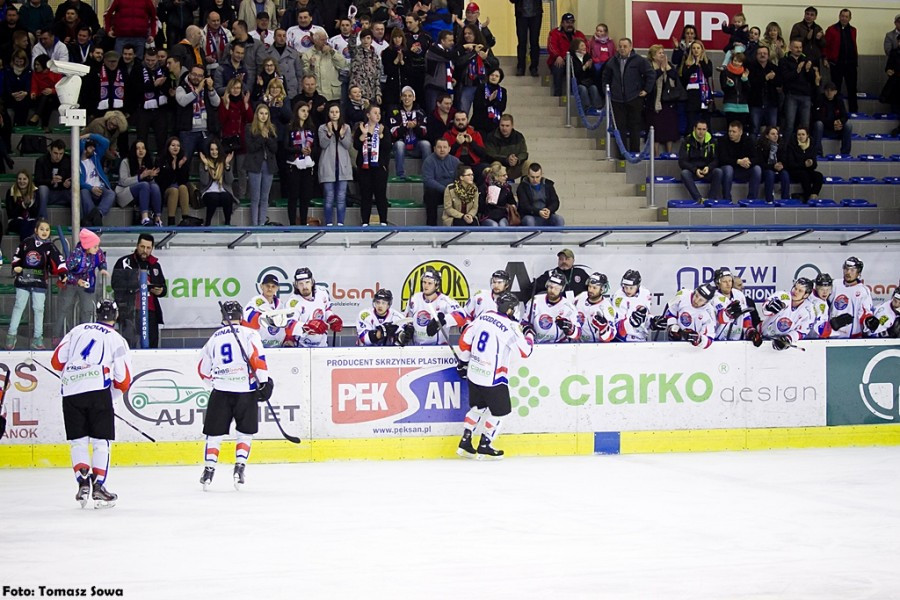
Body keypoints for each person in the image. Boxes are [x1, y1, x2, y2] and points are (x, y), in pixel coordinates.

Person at [51, 299, 131, 509]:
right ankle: (98, 486)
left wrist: (76, 377)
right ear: (116, 316)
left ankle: (82, 484)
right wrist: (109, 396)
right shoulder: (117, 339)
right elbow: (123, 379)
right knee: (100, 442)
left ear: (96, 314)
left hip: (71, 391)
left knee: (78, 441)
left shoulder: (76, 331)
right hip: (98, 390)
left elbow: (56, 361)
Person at [198, 300, 272, 490]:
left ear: (223, 318)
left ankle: (208, 470)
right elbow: (258, 359)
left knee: (214, 434)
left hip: (221, 392)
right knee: (245, 432)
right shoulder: (250, 333)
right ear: (241, 316)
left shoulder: (213, 338)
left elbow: (202, 370)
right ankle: (239, 468)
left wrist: (216, 383)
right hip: (245, 392)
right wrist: (263, 381)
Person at [456, 291, 533, 459]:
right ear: (510, 309)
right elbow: (525, 352)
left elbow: (465, 339)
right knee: (500, 412)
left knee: (478, 408)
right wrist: (529, 334)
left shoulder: (485, 316)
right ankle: (485, 444)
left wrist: (463, 361)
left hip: (474, 373)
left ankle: (465, 441)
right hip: (492, 378)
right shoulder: (510, 327)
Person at [5, 218, 65, 350]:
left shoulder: (50, 246)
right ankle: (11, 335)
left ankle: (38, 339)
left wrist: (63, 274)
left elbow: (59, 262)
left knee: (39, 309)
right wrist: (15, 266)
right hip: (23, 280)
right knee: (19, 306)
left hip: (39, 281)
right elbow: (17, 257)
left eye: (47, 230)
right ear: (36, 230)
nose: (44, 232)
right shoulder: (26, 243)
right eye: (42, 229)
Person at [110, 233, 167, 349]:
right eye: (142, 247)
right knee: (129, 345)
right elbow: (116, 284)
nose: (145, 250)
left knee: (152, 346)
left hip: (150, 312)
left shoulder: (155, 265)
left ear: (152, 248)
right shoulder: (124, 262)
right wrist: (139, 284)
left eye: (148, 248)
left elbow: (163, 288)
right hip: (130, 311)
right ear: (137, 246)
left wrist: (160, 291)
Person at [52, 227, 108, 345]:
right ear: (87, 246)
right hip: (71, 283)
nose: (98, 249)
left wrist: (102, 269)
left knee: (87, 309)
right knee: (64, 308)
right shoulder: (76, 255)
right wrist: (76, 281)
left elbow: (102, 260)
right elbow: (65, 272)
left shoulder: (97, 252)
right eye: (95, 246)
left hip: (87, 283)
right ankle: (56, 335)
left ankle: (84, 336)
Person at [601, 37, 655, 154]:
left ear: (630, 47)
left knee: (635, 127)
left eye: (625, 46)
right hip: (617, 99)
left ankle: (634, 153)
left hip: (634, 98)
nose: (622, 49)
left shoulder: (639, 60)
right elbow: (605, 77)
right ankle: (622, 154)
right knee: (619, 128)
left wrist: (646, 90)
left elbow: (651, 74)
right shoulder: (612, 61)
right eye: (620, 46)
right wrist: (607, 91)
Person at [401, 267, 467, 346]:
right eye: (424, 282)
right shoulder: (414, 299)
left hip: (439, 349)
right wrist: (406, 330)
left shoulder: (445, 301)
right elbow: (406, 319)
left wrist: (443, 320)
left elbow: (462, 316)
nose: (426, 286)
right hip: (417, 348)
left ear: (436, 285)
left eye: (429, 283)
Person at [176, 64, 222, 165]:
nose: (196, 77)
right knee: (185, 161)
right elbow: (182, 101)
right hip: (188, 132)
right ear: (189, 74)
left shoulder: (206, 88)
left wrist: (211, 89)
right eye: (194, 74)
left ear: (203, 77)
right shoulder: (182, 87)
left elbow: (216, 103)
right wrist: (197, 91)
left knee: (210, 161)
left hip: (205, 131)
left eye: (200, 75)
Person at [284, 267, 342, 348]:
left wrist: (331, 318)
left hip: (323, 346)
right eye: (301, 284)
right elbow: (289, 325)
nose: (304, 287)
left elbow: (326, 309)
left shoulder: (322, 292)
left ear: (312, 282)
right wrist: (307, 326)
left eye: (307, 282)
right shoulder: (293, 302)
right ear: (296, 285)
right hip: (301, 348)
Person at [354, 104, 392, 226]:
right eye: (375, 113)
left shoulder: (383, 129)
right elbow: (356, 146)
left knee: (381, 195)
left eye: (379, 113)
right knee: (366, 195)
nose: (378, 115)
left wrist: (380, 136)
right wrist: (362, 136)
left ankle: (383, 221)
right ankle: (365, 221)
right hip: (364, 167)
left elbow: (388, 147)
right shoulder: (361, 128)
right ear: (368, 115)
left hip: (379, 167)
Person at [755, 278, 816, 350]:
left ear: (806, 295)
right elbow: (765, 309)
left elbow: (802, 332)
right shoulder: (783, 296)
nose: (795, 291)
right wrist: (768, 307)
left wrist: (788, 338)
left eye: (800, 291)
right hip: (761, 337)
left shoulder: (809, 310)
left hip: (779, 343)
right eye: (795, 288)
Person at [318, 102, 353, 226]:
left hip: (343, 165)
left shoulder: (346, 127)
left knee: (341, 196)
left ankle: (340, 223)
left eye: (337, 112)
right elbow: (323, 144)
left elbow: (348, 145)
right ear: (328, 113)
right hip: (328, 165)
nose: (334, 114)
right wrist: (329, 132)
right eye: (332, 112)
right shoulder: (322, 128)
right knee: (329, 196)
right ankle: (328, 223)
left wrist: (342, 135)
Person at [522, 270, 579, 343]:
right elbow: (524, 323)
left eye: (556, 288)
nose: (552, 290)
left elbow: (578, 334)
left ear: (561, 289)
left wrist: (570, 328)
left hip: (560, 346)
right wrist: (528, 331)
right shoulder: (535, 301)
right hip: (537, 345)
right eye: (550, 287)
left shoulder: (569, 307)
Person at [645, 44, 682, 154]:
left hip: (668, 101)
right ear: (653, 56)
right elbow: (650, 79)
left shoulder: (668, 64)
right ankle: (656, 154)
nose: (662, 55)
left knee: (669, 128)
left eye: (663, 53)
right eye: (659, 53)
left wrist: (667, 68)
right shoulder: (648, 66)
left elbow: (675, 77)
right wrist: (661, 70)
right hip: (654, 102)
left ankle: (669, 152)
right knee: (656, 129)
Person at [243, 273, 297, 348]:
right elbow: (246, 320)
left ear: (277, 288)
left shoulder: (281, 305)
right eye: (267, 286)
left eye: (273, 286)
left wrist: (288, 339)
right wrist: (260, 317)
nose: (270, 289)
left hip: (278, 347)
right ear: (261, 286)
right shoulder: (255, 302)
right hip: (260, 347)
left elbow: (287, 324)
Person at [388, 86, 431, 180]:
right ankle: (400, 175)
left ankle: (427, 175)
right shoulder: (394, 111)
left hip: (416, 147)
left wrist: (415, 127)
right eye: (404, 96)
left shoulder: (420, 112)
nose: (407, 98)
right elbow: (393, 133)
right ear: (401, 97)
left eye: (409, 96)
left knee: (426, 144)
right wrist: (405, 127)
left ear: (414, 98)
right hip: (400, 147)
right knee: (399, 144)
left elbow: (424, 133)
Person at [244, 103, 277, 225]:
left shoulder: (272, 129)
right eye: (261, 113)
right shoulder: (249, 128)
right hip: (255, 165)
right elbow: (251, 147)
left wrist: (267, 138)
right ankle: (254, 224)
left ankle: (262, 224)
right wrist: (262, 137)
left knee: (265, 197)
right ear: (256, 114)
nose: (264, 116)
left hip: (269, 165)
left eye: (266, 114)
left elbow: (275, 148)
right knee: (255, 197)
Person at [781, 38, 820, 139]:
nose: (799, 49)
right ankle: (786, 147)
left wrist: (807, 70)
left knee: (805, 126)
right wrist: (797, 70)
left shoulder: (806, 60)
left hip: (806, 96)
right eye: (796, 47)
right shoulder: (784, 61)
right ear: (790, 48)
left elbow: (812, 79)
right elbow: (785, 77)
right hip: (792, 95)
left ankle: (804, 147)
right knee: (789, 125)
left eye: (800, 47)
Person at [116, 141, 162, 226]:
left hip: (143, 194)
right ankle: (144, 218)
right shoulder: (125, 162)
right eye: (138, 148)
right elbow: (123, 182)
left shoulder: (147, 162)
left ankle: (157, 219)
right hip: (125, 194)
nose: (141, 150)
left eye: (143, 148)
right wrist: (140, 176)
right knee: (144, 185)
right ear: (133, 150)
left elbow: (151, 186)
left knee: (155, 186)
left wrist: (150, 177)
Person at [658, 283, 717, 349]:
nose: (696, 301)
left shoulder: (709, 312)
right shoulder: (683, 295)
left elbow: (710, 338)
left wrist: (698, 339)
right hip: (674, 344)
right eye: (696, 296)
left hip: (693, 349)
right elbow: (671, 311)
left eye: (701, 300)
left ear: (706, 302)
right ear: (695, 291)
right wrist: (672, 326)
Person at [285, 102, 316, 226]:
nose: (305, 113)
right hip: (294, 165)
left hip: (308, 165)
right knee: (293, 196)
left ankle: (303, 223)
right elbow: (285, 147)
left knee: (305, 197)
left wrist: (310, 151)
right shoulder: (289, 128)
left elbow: (317, 147)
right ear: (297, 111)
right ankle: (292, 224)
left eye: (307, 111)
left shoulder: (311, 128)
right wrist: (299, 150)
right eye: (303, 111)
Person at [677, 119, 722, 203]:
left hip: (707, 171)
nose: (701, 132)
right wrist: (695, 170)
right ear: (694, 129)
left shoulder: (712, 141)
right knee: (684, 173)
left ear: (707, 130)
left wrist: (709, 167)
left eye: (704, 129)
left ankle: (711, 199)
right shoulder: (687, 141)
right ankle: (698, 199)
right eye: (699, 129)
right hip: (693, 171)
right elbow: (682, 161)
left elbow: (716, 160)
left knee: (718, 172)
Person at [829, 256, 874, 339]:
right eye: (846, 269)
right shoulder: (835, 284)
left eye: (852, 270)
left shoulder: (863, 290)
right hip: (832, 336)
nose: (848, 272)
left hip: (853, 339)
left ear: (858, 273)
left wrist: (869, 321)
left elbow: (865, 312)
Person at [824, 9, 857, 113]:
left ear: (850, 18)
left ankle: (854, 111)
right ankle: (836, 111)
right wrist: (825, 58)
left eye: (846, 16)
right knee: (835, 88)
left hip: (851, 64)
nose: (844, 18)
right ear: (839, 16)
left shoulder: (853, 30)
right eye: (842, 16)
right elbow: (826, 45)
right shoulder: (831, 29)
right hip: (837, 64)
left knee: (852, 89)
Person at [719, 121, 761, 201]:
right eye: (729, 131)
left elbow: (757, 158)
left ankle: (751, 199)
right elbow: (722, 159)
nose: (731, 134)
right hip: (730, 170)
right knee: (728, 169)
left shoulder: (748, 140)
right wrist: (738, 161)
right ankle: (727, 199)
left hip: (744, 170)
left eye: (734, 132)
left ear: (740, 132)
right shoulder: (723, 140)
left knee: (757, 169)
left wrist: (748, 161)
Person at [79, 135, 115, 227]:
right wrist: (91, 188)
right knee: (83, 192)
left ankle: (97, 214)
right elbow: (80, 182)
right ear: (84, 149)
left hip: (100, 188)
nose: (94, 149)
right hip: (88, 190)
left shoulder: (96, 156)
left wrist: (89, 135)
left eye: (94, 147)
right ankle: (95, 220)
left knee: (111, 193)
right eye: (90, 147)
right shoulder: (77, 163)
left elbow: (106, 142)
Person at [422, 137, 459, 226]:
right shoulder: (428, 161)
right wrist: (445, 190)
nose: (442, 150)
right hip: (437, 194)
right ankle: (431, 226)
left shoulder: (455, 161)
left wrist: (452, 190)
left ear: (449, 149)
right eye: (439, 147)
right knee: (430, 193)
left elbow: (460, 178)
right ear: (434, 149)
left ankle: (459, 224)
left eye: (445, 147)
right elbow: (428, 180)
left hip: (452, 193)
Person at [677, 40, 713, 132]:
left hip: (704, 95)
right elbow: (684, 77)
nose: (696, 50)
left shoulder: (707, 61)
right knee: (691, 123)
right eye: (693, 48)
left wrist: (701, 62)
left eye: (698, 48)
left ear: (702, 50)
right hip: (692, 96)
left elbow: (708, 73)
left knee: (706, 122)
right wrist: (695, 65)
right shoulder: (687, 63)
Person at [706, 267, 752, 341]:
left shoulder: (739, 294)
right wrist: (728, 313)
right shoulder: (713, 298)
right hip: (718, 341)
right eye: (724, 281)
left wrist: (750, 331)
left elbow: (746, 316)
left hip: (737, 340)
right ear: (717, 283)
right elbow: (720, 318)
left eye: (730, 281)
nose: (728, 284)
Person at [198, 140, 236, 226]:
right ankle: (208, 223)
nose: (214, 152)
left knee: (227, 197)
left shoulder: (224, 161)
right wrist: (206, 165)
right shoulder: (204, 162)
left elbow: (230, 181)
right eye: (212, 149)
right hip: (208, 191)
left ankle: (227, 223)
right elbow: (204, 182)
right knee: (213, 197)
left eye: (216, 149)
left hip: (222, 190)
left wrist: (227, 165)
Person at [547, 13, 585, 97]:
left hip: (574, 61)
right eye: (567, 22)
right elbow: (551, 46)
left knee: (577, 68)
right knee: (558, 67)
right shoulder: (554, 33)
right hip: (559, 60)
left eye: (572, 22)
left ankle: (574, 94)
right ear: (562, 23)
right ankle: (558, 94)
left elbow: (585, 47)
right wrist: (557, 56)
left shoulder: (579, 34)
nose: (570, 25)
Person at [156, 137, 192, 226]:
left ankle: (185, 219)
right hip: (165, 190)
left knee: (183, 187)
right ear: (168, 147)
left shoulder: (182, 160)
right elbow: (161, 181)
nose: (176, 147)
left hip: (179, 190)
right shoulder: (161, 159)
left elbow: (184, 180)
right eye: (173, 145)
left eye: (178, 146)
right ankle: (171, 221)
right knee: (174, 190)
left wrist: (179, 167)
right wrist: (172, 168)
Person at [303, 30, 346, 102]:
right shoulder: (307, 54)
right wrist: (311, 66)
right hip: (318, 93)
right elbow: (306, 75)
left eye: (326, 39)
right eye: (322, 40)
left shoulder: (332, 52)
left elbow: (343, 64)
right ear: (315, 41)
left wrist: (332, 52)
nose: (325, 42)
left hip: (333, 93)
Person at [747, 46, 781, 136]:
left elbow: (779, 83)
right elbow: (752, 83)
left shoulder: (774, 68)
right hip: (755, 102)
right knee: (754, 129)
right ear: (756, 55)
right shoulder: (751, 68)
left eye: (765, 53)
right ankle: (753, 146)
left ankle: (771, 145)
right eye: (760, 53)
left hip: (771, 103)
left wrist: (773, 79)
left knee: (773, 129)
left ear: (768, 55)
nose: (762, 55)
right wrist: (765, 78)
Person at [574, 272, 616, 343]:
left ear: (602, 289)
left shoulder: (607, 307)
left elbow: (611, 335)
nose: (590, 290)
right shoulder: (581, 296)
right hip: (577, 345)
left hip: (597, 345)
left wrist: (604, 328)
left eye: (594, 288)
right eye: (589, 286)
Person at [783, 126, 822, 202]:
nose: (801, 136)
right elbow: (790, 164)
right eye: (799, 135)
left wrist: (811, 163)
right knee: (804, 175)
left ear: (807, 135)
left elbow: (815, 164)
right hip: (795, 171)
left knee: (819, 176)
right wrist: (804, 164)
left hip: (808, 170)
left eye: (803, 134)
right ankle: (807, 197)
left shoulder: (811, 145)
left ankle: (813, 196)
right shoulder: (791, 145)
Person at [812, 82, 852, 155]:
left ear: (835, 92)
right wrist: (832, 123)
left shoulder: (839, 100)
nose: (829, 93)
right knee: (818, 124)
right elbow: (816, 116)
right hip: (824, 128)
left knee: (848, 125)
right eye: (827, 90)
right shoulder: (820, 99)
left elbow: (845, 115)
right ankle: (818, 153)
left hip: (836, 128)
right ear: (824, 91)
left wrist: (840, 122)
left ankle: (845, 154)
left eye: (831, 90)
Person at [34, 141, 72, 219]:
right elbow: (37, 180)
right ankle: (42, 220)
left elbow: (73, 177)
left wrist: (68, 183)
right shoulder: (41, 161)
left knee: (75, 192)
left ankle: (80, 222)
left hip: (63, 192)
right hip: (48, 194)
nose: (58, 156)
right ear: (50, 151)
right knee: (43, 189)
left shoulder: (68, 160)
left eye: (61, 154)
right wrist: (51, 181)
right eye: (55, 153)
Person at [613, 269, 653, 342]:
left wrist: (652, 321)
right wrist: (630, 323)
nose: (628, 290)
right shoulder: (618, 297)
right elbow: (617, 326)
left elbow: (646, 316)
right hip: (623, 340)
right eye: (626, 287)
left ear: (638, 286)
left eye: (631, 288)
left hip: (641, 339)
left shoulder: (645, 294)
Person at [484, 114, 528, 180]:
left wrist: (517, 160)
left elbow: (524, 153)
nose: (504, 128)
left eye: (507, 126)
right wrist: (506, 159)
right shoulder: (491, 137)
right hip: (500, 166)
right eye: (502, 125)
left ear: (512, 126)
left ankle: (525, 185)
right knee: (495, 165)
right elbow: (490, 155)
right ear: (499, 125)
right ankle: (496, 184)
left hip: (514, 167)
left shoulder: (519, 136)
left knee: (527, 164)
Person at [756, 126, 791, 202]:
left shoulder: (782, 145)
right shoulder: (760, 146)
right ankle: (769, 200)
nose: (775, 136)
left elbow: (786, 161)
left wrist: (781, 165)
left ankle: (785, 200)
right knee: (770, 173)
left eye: (776, 134)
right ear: (767, 136)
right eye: (773, 134)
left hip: (778, 169)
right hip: (766, 170)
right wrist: (773, 166)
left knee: (785, 174)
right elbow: (760, 163)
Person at [28, 55, 61, 131]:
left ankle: (36, 116)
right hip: (41, 97)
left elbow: (60, 87)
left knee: (48, 98)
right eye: (35, 64)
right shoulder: (35, 74)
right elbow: (34, 86)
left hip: (55, 97)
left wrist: (52, 91)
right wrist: (33, 93)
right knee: (46, 99)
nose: (36, 67)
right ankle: (45, 126)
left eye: (38, 65)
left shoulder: (55, 72)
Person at [471, 66, 506, 135]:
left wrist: (493, 101)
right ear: (488, 76)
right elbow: (477, 105)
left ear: (500, 78)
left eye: (497, 76)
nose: (494, 77)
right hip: (480, 122)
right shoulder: (481, 88)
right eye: (492, 75)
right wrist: (489, 100)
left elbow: (502, 107)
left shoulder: (503, 91)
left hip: (495, 122)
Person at [478, 162, 516, 226]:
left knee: (502, 225)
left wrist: (512, 206)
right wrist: (485, 201)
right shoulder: (484, 187)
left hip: (503, 215)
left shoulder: (507, 187)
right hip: (488, 216)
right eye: (503, 175)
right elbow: (479, 208)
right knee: (494, 225)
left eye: (506, 175)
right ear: (496, 177)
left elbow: (512, 202)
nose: (506, 177)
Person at [4, 170, 39, 240]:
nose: (22, 181)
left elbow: (36, 213)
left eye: (24, 179)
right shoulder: (10, 191)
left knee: (35, 224)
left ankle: (27, 245)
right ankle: (26, 245)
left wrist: (30, 204)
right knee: (25, 224)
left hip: (31, 220)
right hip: (15, 221)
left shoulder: (35, 192)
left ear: (29, 180)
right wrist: (23, 205)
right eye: (19, 179)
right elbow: (11, 214)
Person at [719, 52, 750, 129]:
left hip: (743, 106)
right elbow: (724, 88)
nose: (736, 63)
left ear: (742, 63)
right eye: (735, 60)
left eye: (739, 61)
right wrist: (730, 85)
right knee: (731, 128)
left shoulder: (745, 72)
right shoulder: (725, 72)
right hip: (730, 105)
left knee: (741, 129)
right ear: (732, 60)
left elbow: (748, 90)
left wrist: (744, 79)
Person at [511, 0, 542, 77]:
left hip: (536, 14)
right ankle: (521, 67)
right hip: (521, 14)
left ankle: (534, 67)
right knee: (522, 42)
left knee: (534, 42)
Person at [571, 39, 602, 114]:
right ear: (576, 48)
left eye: (584, 45)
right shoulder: (571, 58)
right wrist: (584, 67)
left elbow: (593, 74)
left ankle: (598, 108)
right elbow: (574, 73)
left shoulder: (587, 57)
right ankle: (587, 108)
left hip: (588, 81)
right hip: (578, 83)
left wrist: (591, 67)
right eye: (582, 46)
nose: (584, 47)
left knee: (594, 88)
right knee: (583, 89)